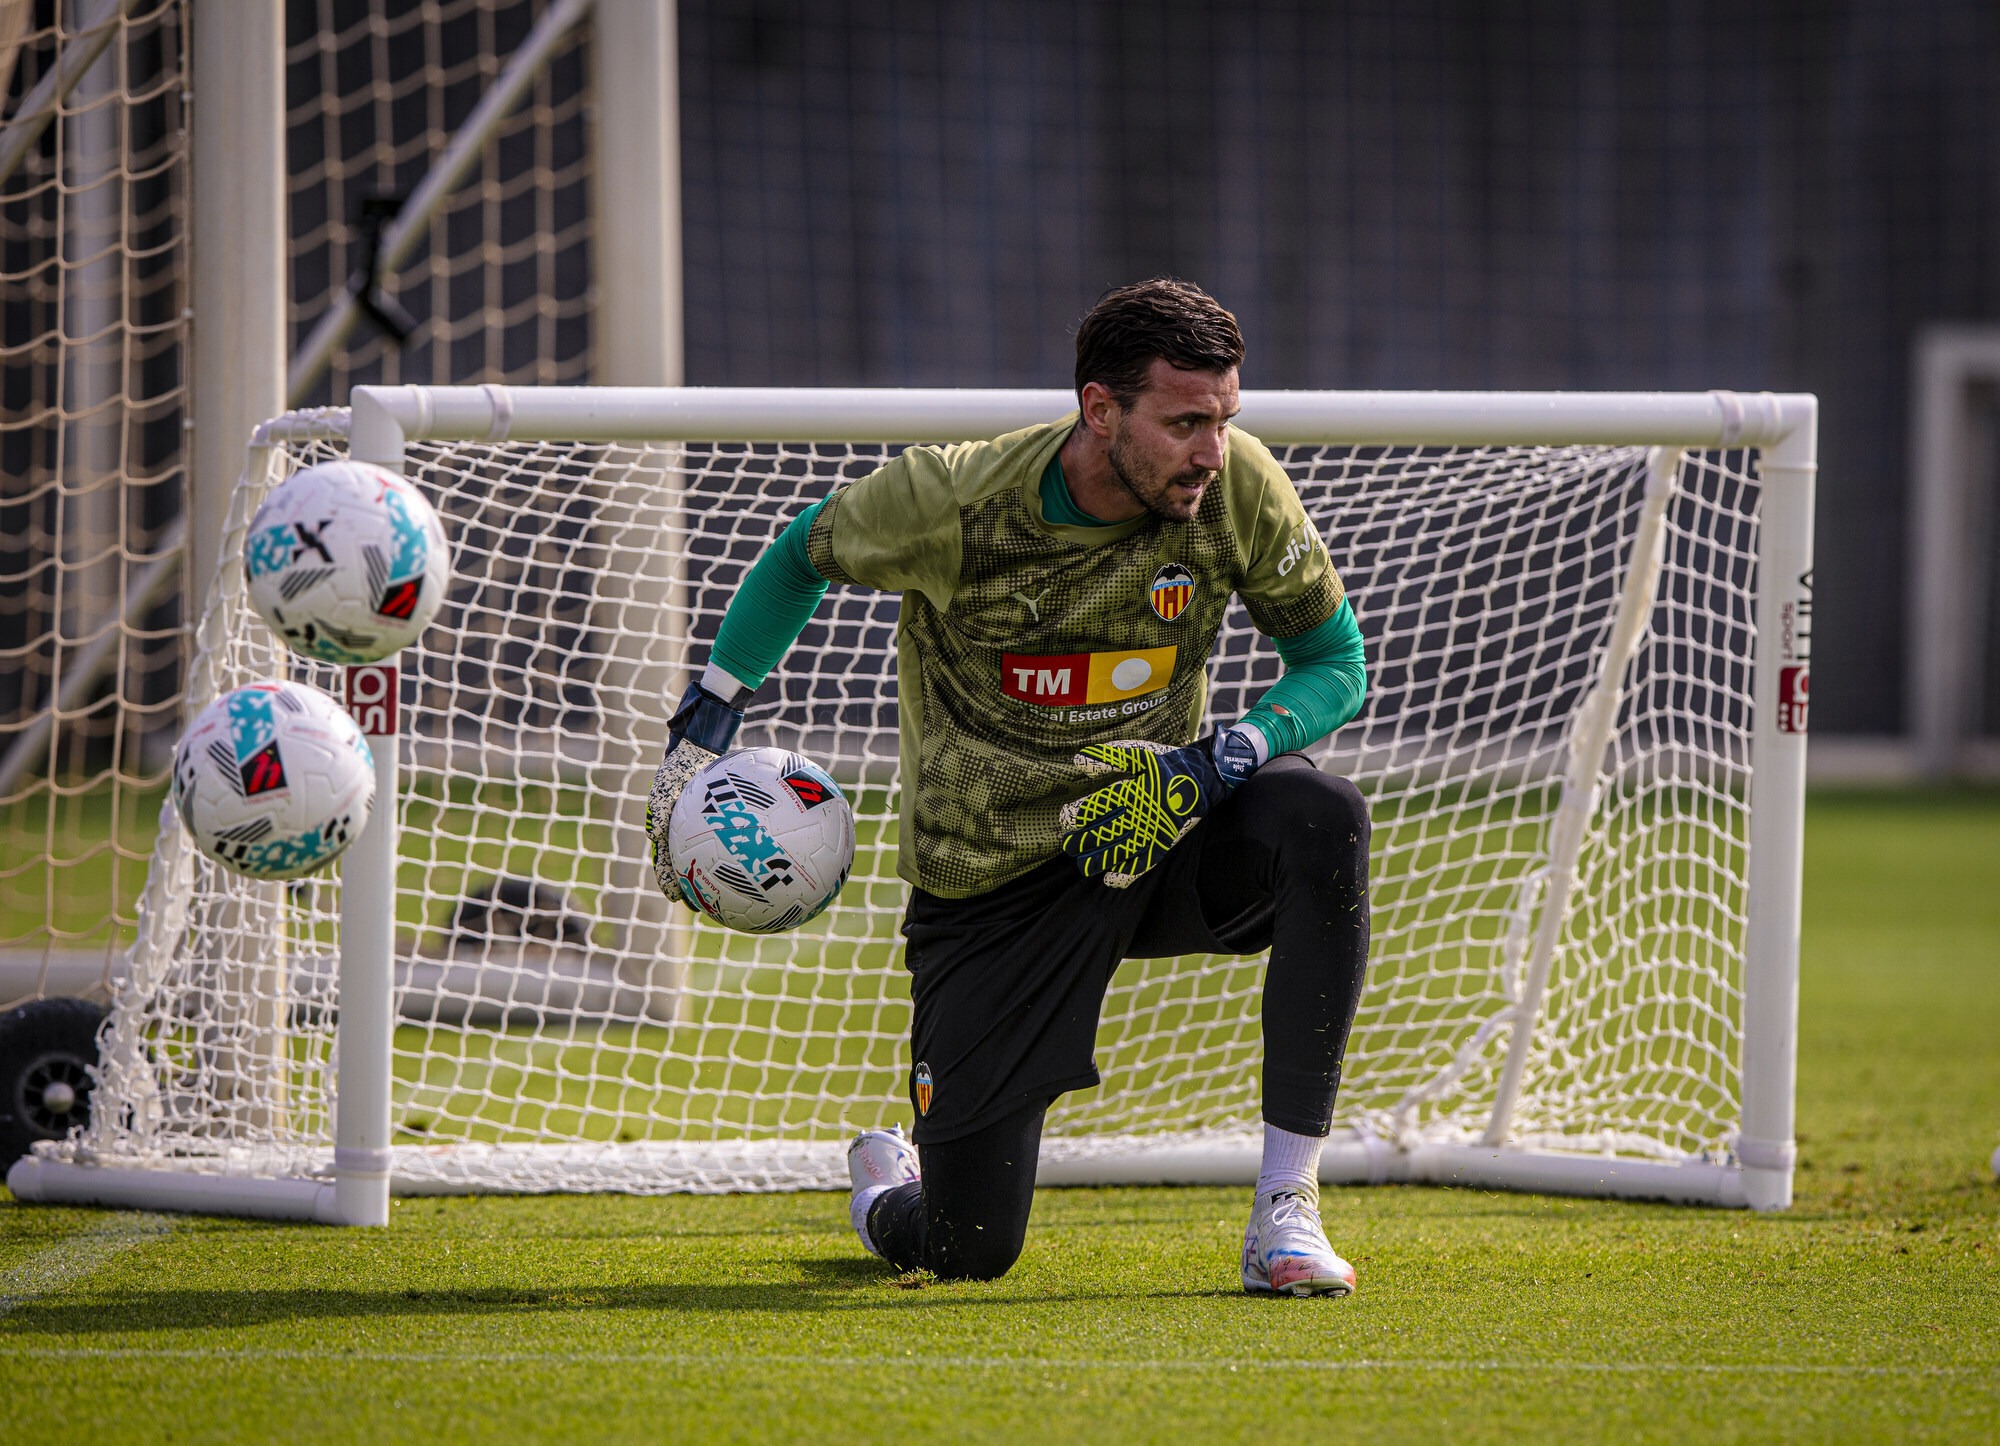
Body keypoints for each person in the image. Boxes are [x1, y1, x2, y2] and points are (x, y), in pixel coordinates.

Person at [645, 279, 1371, 1297]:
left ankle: (1285, 1208)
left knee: (1320, 817)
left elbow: (1334, 662)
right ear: (1100, 410)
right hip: (993, 887)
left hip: (1153, 833)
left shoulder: (1236, 486)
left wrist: (1220, 760)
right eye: (1184, 424)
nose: (1212, 451)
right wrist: (712, 713)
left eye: (1224, 419)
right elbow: (800, 554)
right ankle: (887, 1188)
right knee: (967, 1249)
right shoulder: (955, 499)